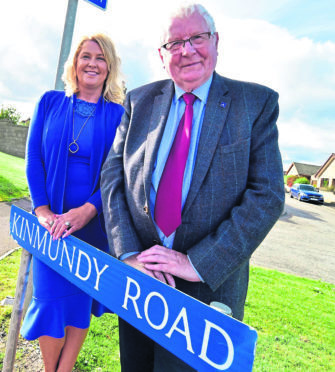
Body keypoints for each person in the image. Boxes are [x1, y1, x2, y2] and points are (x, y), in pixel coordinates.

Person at [100, 3, 285, 371]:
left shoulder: (255, 104)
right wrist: (129, 256)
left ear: (215, 41)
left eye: (197, 38)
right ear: (161, 54)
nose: (187, 50)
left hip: (207, 294)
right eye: (175, 43)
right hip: (140, 283)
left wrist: (194, 263)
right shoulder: (138, 101)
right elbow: (112, 178)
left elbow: (267, 196)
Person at [20, 33, 125, 372]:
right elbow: (34, 157)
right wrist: (42, 210)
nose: (92, 63)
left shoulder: (119, 115)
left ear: (109, 67)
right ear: (75, 63)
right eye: (86, 56)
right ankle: (51, 369)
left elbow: (117, 171)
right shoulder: (49, 102)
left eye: (100, 58)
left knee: (79, 304)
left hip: (93, 227)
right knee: (49, 301)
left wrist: (88, 209)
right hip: (52, 227)